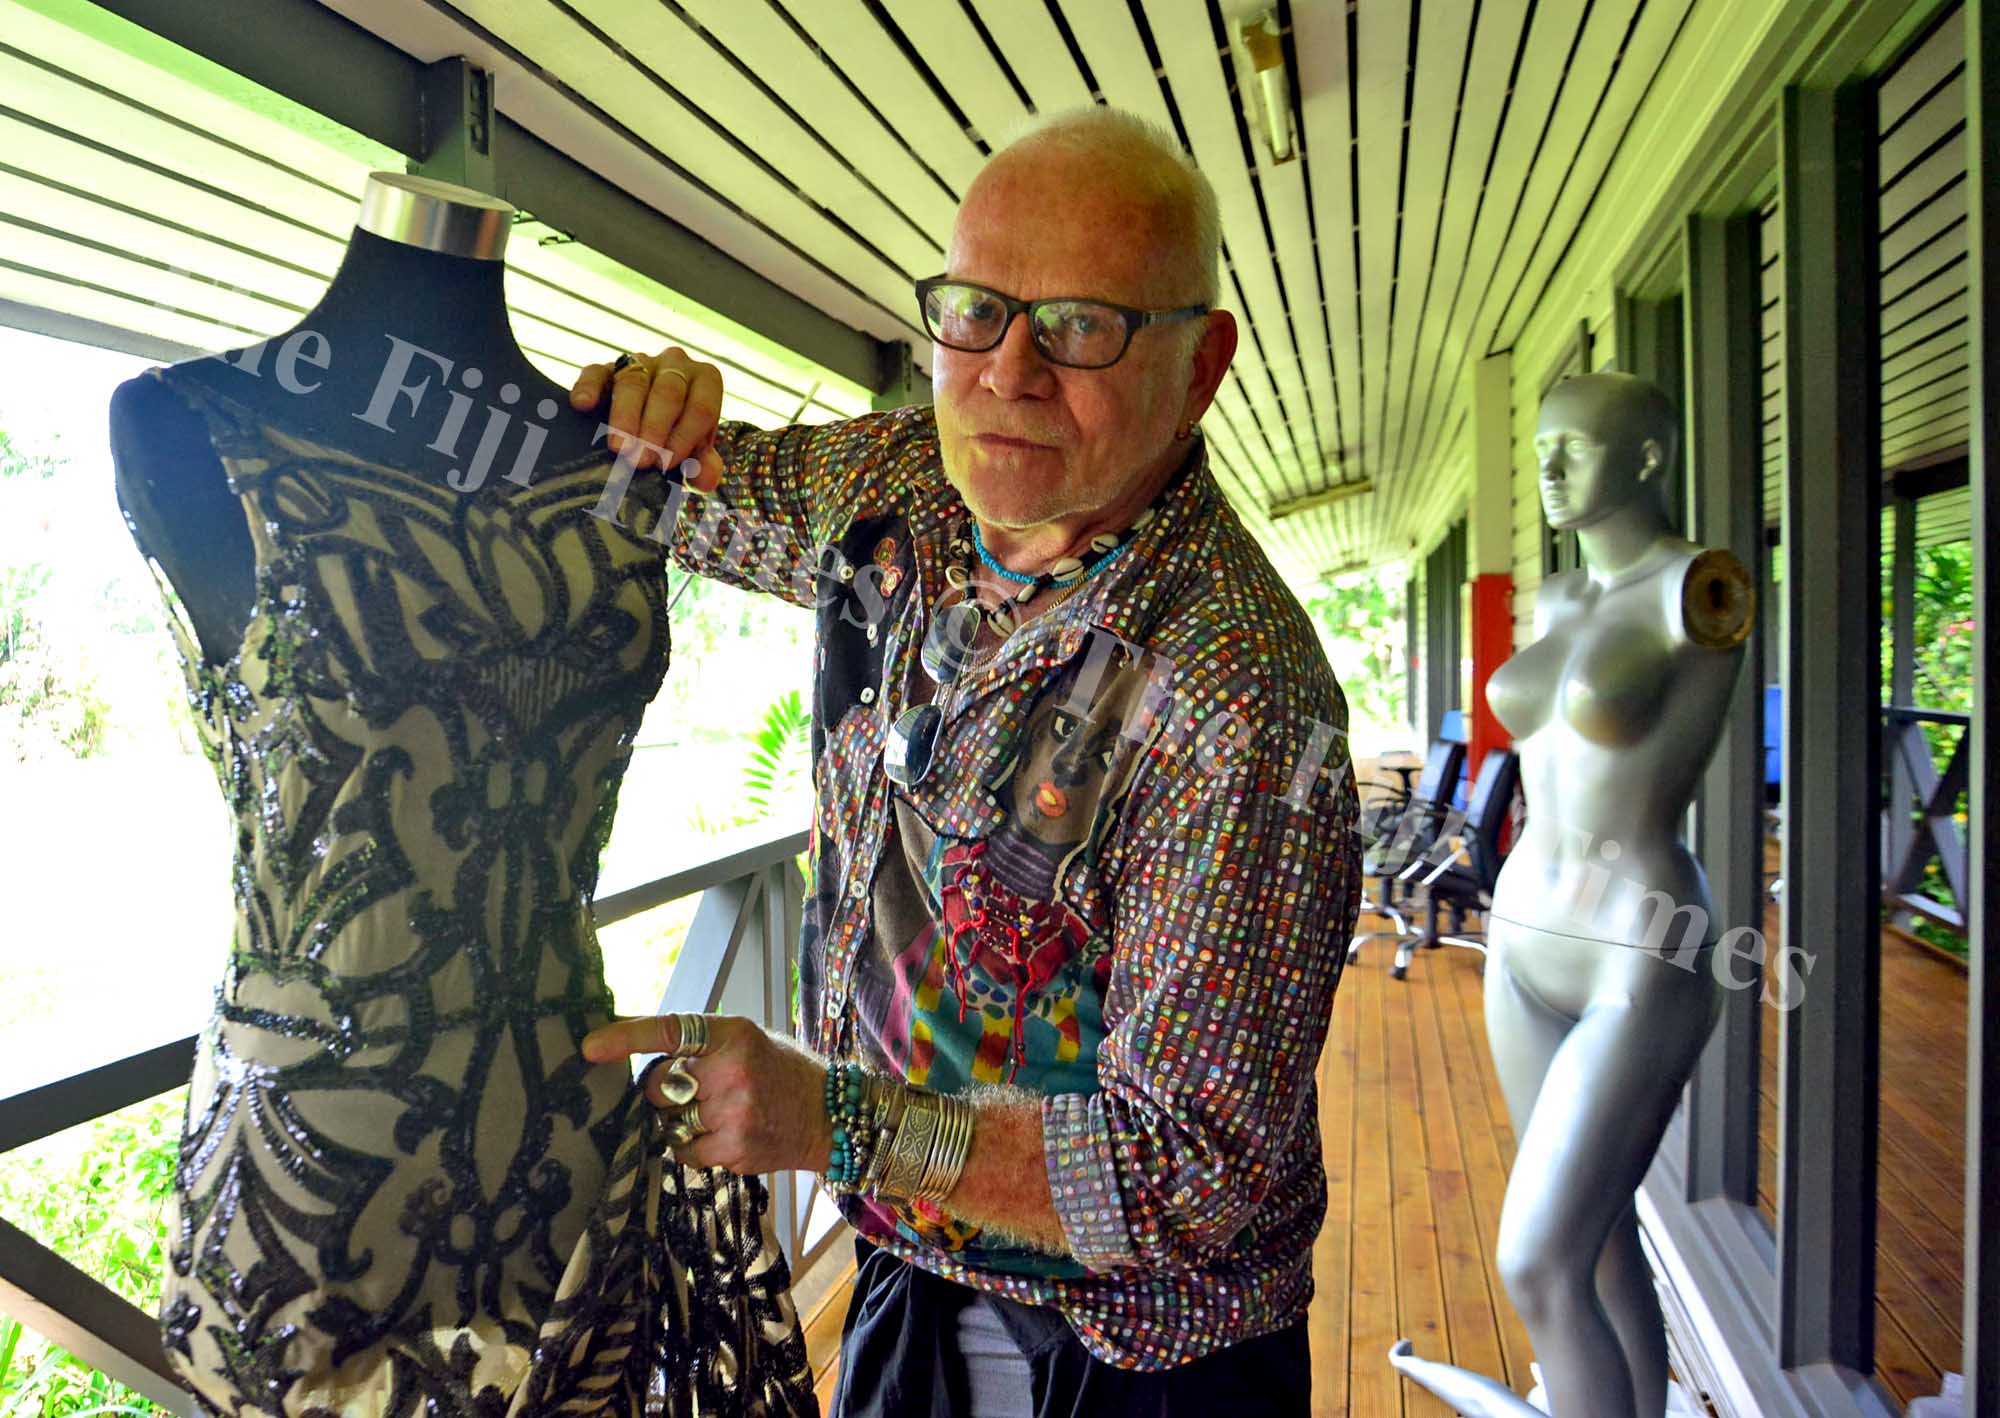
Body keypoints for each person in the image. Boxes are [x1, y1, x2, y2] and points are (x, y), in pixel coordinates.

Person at [572, 107, 1362, 1417]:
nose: (1008, 373)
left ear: (1203, 363)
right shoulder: (893, 492)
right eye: (976, 311)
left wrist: (831, 1121)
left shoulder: (1241, 698)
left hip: (1148, 1355)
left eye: (1082, 326)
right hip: (910, 1264)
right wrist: (631, 408)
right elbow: (642, 487)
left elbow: (1185, 1173)